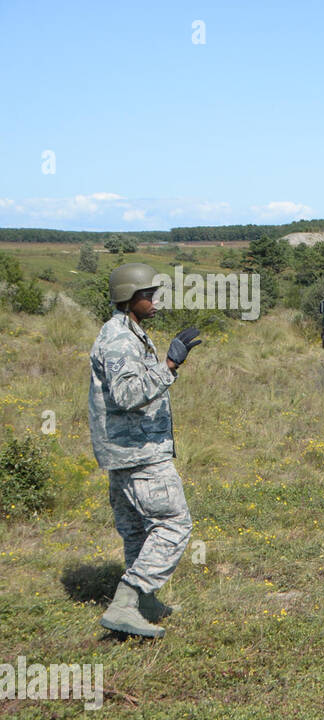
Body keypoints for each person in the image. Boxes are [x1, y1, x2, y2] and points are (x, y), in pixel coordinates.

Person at [88, 263, 203, 639]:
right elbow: (126, 394)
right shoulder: (119, 339)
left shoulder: (127, 332)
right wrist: (169, 365)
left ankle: (144, 603)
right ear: (128, 297)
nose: (155, 301)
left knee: (139, 530)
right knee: (173, 524)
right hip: (139, 453)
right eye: (148, 295)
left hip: (127, 450)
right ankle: (127, 601)